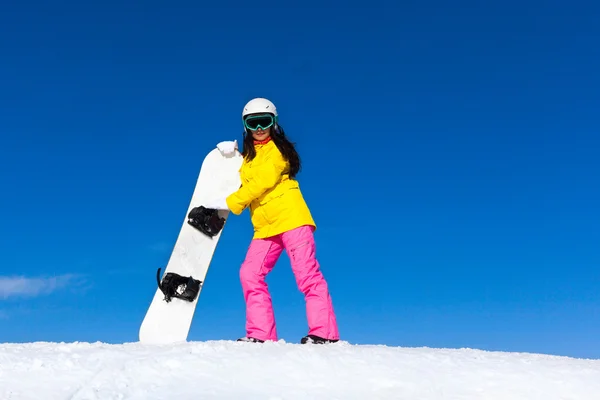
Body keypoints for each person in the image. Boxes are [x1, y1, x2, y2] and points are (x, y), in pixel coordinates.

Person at [204, 97, 340, 344]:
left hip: (292, 219)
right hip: (265, 227)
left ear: (274, 123)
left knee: (306, 274)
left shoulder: (278, 152)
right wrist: (229, 157)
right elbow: (241, 178)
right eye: (253, 123)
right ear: (245, 126)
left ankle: (324, 333)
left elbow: (262, 182)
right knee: (250, 273)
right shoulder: (249, 159)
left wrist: (232, 203)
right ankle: (261, 334)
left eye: (264, 122)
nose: (259, 128)